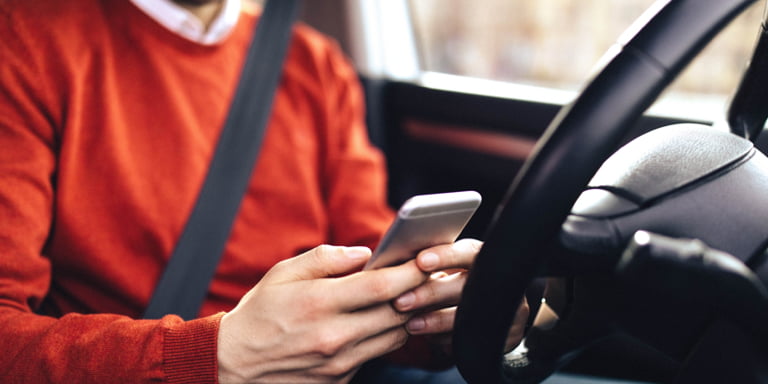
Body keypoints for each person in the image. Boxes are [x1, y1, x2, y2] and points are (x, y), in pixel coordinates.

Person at [0, 0, 529, 382]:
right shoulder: (24, 40)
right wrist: (213, 356)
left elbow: (369, 250)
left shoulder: (314, 65)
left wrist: (446, 315)